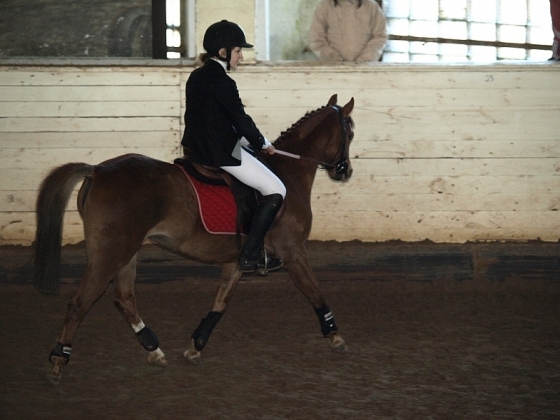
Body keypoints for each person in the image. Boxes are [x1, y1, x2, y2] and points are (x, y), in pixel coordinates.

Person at [181, 20, 286, 274]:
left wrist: (244, 140)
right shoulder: (223, 82)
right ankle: (250, 254)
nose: (241, 56)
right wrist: (263, 143)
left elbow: (211, 118)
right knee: (276, 190)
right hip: (220, 153)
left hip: (195, 149)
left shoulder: (196, 76)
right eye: (238, 51)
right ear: (223, 52)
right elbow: (240, 118)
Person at [309, 0, 388, 63]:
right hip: (332, 69)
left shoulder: (372, 7)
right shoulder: (324, 6)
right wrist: (333, 58)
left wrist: (365, 59)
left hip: (365, 69)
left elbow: (380, 36)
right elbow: (316, 38)